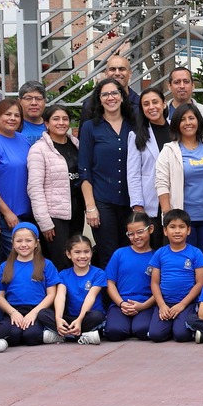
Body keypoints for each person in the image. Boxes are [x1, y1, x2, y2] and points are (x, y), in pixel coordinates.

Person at [79, 77, 140, 266]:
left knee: (131, 253)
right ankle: (109, 287)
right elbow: (84, 169)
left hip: (131, 202)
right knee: (109, 255)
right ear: (99, 99)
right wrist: (90, 207)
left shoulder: (135, 125)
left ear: (122, 96)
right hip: (102, 201)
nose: (110, 97)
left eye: (114, 93)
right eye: (105, 94)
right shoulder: (90, 127)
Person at [155, 104, 203, 261]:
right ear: (176, 124)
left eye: (191, 118)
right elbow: (161, 183)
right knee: (185, 264)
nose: (188, 123)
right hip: (182, 221)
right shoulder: (169, 150)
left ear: (198, 121)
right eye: (183, 119)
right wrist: (168, 215)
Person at [27, 103, 85, 270]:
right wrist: (45, 222)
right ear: (46, 123)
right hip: (54, 217)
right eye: (56, 119)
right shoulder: (38, 149)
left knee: (75, 259)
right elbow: (35, 188)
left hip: (76, 211)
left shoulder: (76, 144)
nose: (61, 123)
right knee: (60, 262)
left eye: (65, 119)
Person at [0, 98, 34, 262]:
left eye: (17, 115)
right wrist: (7, 213)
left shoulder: (23, 139)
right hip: (4, 214)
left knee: (8, 261)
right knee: (20, 257)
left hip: (25, 212)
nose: (12, 118)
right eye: (7, 114)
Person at [141, 210, 203, 343]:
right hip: (165, 302)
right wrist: (162, 305)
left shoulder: (195, 253)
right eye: (172, 227)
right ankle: (171, 325)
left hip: (187, 303)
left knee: (181, 335)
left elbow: (200, 282)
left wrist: (182, 304)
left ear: (188, 230)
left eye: (181, 227)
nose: (177, 231)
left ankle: (179, 325)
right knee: (155, 335)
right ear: (165, 231)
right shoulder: (160, 253)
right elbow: (154, 283)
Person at [0, 222, 60, 347]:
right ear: (13, 243)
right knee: (13, 336)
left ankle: (50, 334)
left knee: (31, 336)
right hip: (13, 310)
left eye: (28, 240)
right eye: (19, 241)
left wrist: (34, 313)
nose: (23, 244)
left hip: (38, 310)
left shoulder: (46, 264)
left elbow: (51, 294)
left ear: (36, 243)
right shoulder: (5, 266)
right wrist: (12, 312)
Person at [101, 213, 161, 341]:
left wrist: (143, 306)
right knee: (114, 332)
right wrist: (121, 303)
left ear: (150, 229)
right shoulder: (119, 254)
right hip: (121, 304)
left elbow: (160, 287)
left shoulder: (157, 257)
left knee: (142, 329)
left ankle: (132, 326)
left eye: (140, 232)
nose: (136, 237)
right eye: (131, 234)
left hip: (146, 305)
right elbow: (110, 282)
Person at [53, 234, 107, 346]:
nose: (82, 256)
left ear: (91, 253)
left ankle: (67, 335)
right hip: (70, 317)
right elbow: (60, 296)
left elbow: (91, 297)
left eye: (86, 252)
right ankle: (81, 335)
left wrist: (80, 319)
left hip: (88, 317)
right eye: (77, 252)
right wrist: (58, 318)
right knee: (44, 314)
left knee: (97, 316)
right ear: (69, 254)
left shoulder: (99, 273)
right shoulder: (63, 274)